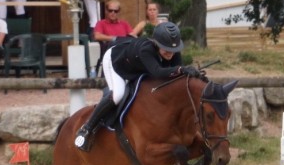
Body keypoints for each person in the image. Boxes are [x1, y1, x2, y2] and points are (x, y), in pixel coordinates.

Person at [74, 22, 201, 152]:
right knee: (118, 95)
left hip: (137, 67)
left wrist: (193, 75)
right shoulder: (146, 50)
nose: (170, 53)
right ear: (156, 43)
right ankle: (87, 129)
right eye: (166, 49)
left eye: (173, 50)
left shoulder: (172, 51)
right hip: (115, 62)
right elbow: (157, 72)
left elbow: (175, 78)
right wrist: (181, 69)